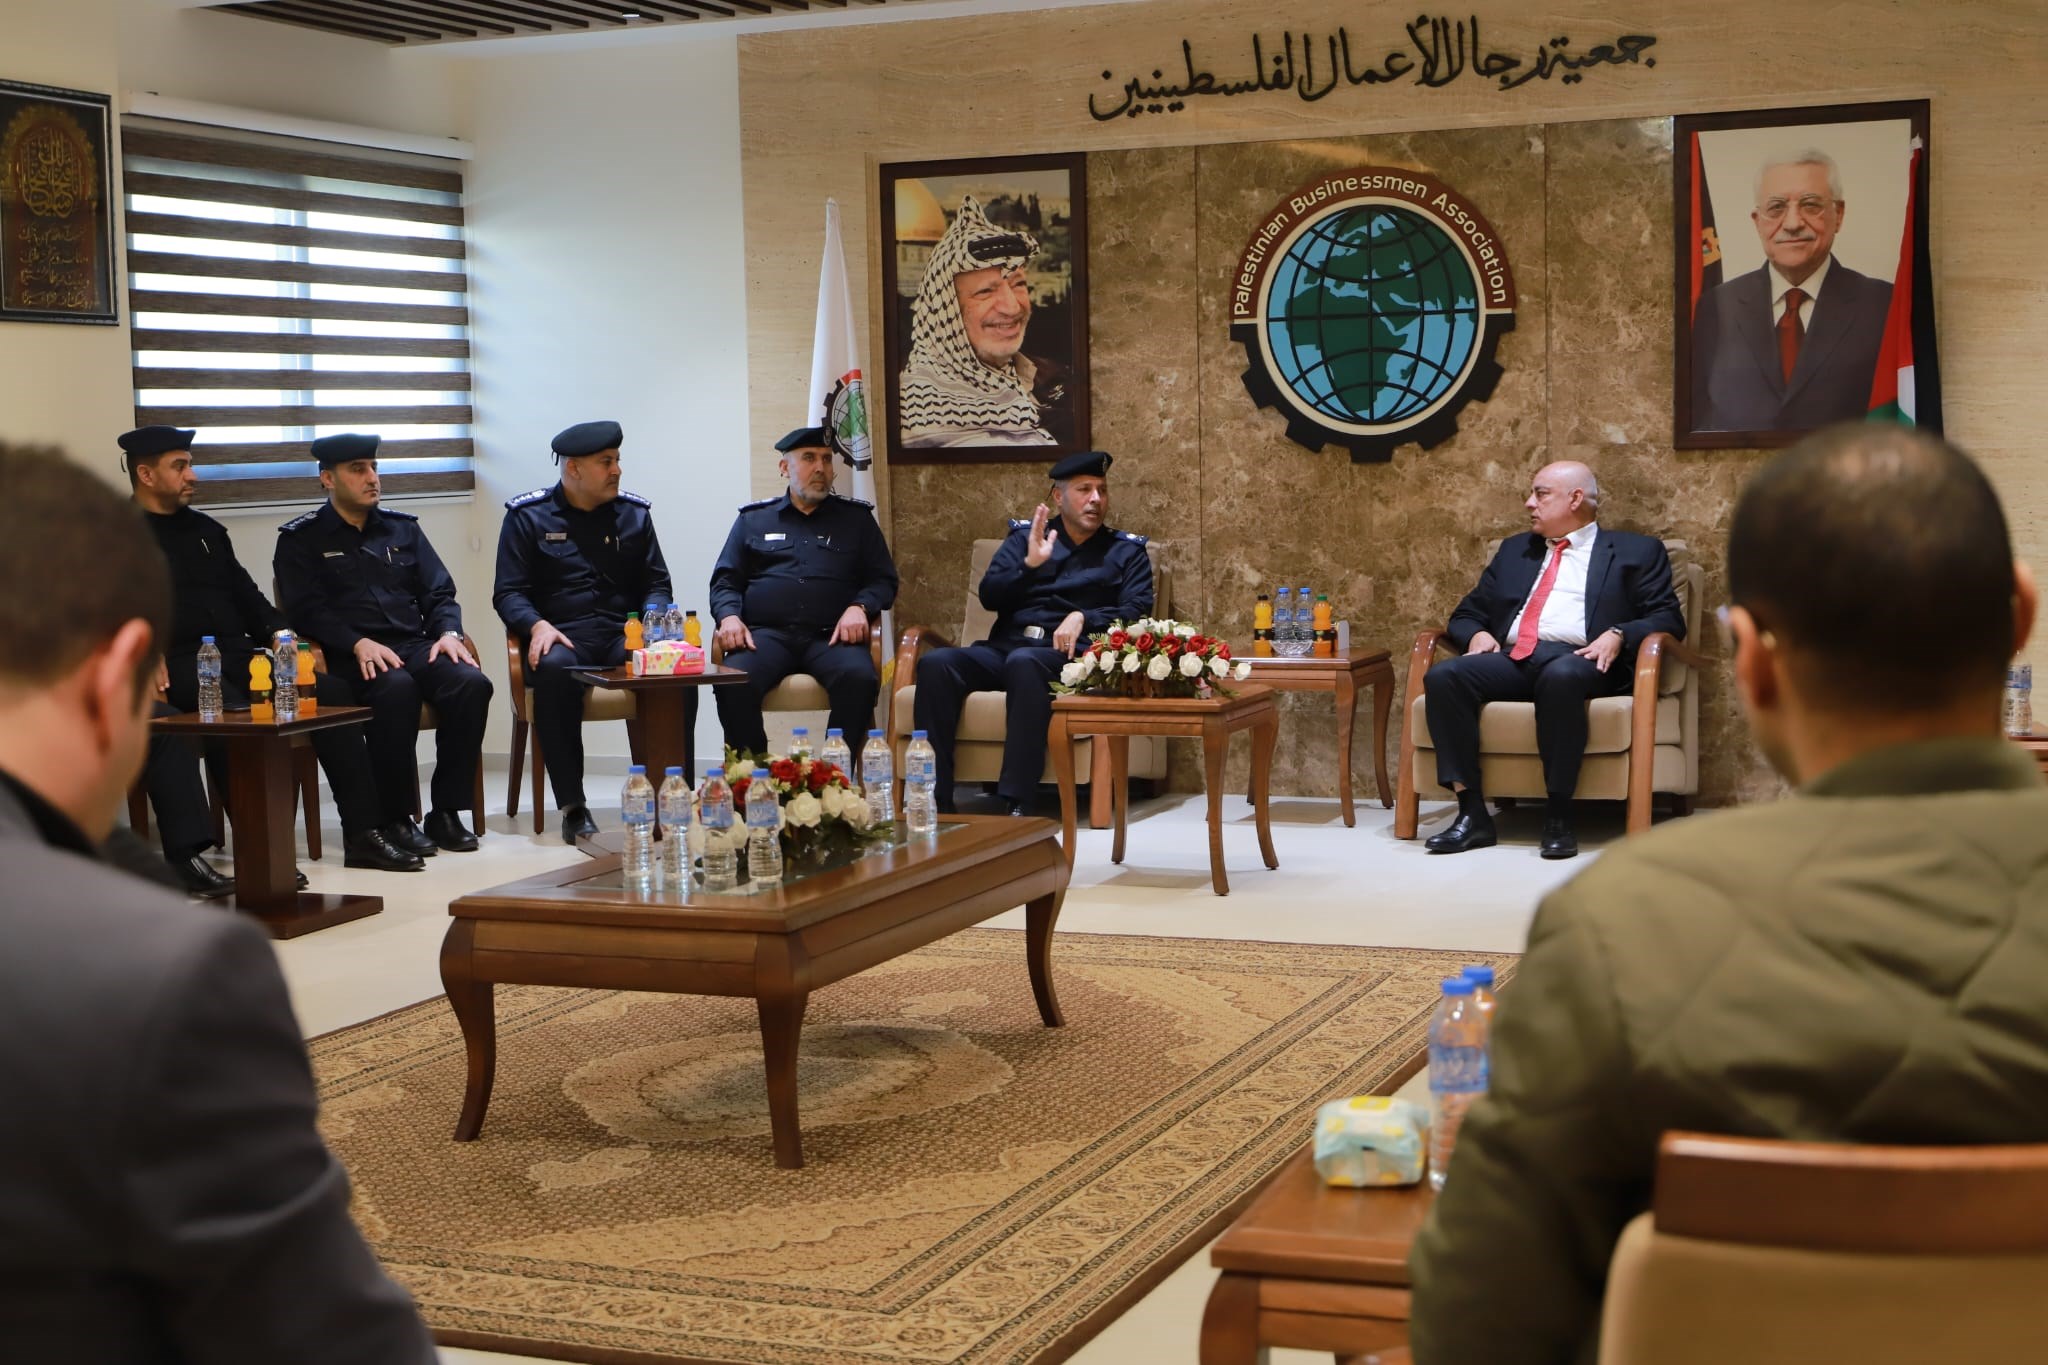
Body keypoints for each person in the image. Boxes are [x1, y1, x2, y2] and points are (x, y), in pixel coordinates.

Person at [1408, 424, 2048, 1365]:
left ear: (1750, 658)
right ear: (2019, 616)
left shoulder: (1617, 920)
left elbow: (1482, 1317)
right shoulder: (1513, 560)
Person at [0, 441, 437, 1363]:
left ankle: (374, 827)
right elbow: (328, 1337)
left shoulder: (207, 536)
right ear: (121, 666)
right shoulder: (160, 972)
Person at [123, 426, 423, 873]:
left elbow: (249, 599)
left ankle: (363, 833)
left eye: (190, 465)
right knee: (232, 713)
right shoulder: (115, 535)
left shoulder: (206, 531)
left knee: (333, 695)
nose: (193, 476)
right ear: (146, 475)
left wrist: (282, 635)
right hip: (179, 662)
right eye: (180, 466)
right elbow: (103, 607)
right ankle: (261, 850)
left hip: (239, 654)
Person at [1421, 462, 1685, 860]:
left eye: (1541, 494)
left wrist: (1618, 633)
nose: (1530, 503)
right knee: (1445, 677)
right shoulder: (1516, 551)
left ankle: (1559, 814)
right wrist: (1476, 634)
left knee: (1561, 676)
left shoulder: (1637, 551)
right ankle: (1472, 814)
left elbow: (1668, 618)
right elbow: (1467, 613)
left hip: (1583, 659)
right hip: (1515, 657)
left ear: (1575, 498)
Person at [276, 432, 493, 854]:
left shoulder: (402, 529)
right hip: (350, 656)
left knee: (471, 684)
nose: (372, 478)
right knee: (397, 688)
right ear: (327, 479)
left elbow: (439, 592)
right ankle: (396, 817)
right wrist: (357, 642)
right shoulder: (301, 539)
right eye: (358, 470)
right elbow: (306, 611)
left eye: (374, 467)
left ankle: (446, 811)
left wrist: (449, 633)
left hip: (413, 644)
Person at [914, 450, 1152, 814]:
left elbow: (1137, 611)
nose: (1096, 499)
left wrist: (1083, 617)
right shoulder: (1025, 539)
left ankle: (1015, 799)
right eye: (1084, 490)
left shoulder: (1126, 552)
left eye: (1102, 490)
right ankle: (934, 800)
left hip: (1071, 657)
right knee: (937, 664)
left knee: (1025, 663)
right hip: (1007, 647)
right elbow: (990, 596)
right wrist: (1028, 564)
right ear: (1058, 496)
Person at [493, 419, 673, 843]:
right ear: (573, 468)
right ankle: (573, 807)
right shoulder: (527, 517)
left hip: (621, 634)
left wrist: (653, 623)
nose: (617, 470)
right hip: (562, 635)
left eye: (617, 460)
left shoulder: (633, 515)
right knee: (554, 670)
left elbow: (657, 583)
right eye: (606, 462)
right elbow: (508, 593)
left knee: (673, 672)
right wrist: (536, 626)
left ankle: (668, 793)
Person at [710, 424, 899, 754]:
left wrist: (860, 607)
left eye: (826, 459)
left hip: (832, 638)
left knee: (860, 678)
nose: (820, 468)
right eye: (809, 458)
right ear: (785, 467)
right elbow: (725, 580)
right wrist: (728, 617)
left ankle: (835, 774)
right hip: (765, 636)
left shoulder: (856, 520)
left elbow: (883, 579)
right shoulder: (754, 520)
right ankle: (755, 773)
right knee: (732, 679)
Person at [1691, 148, 1893, 433]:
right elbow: (1699, 416)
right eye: (1776, 208)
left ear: (1839, 214)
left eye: (1810, 205)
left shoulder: (1883, 305)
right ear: (1757, 221)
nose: (1793, 223)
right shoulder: (1716, 306)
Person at [898, 195, 1071, 449]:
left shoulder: (1052, 378)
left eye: (1019, 284)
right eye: (985, 292)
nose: (1012, 307)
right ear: (946, 311)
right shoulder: (916, 412)